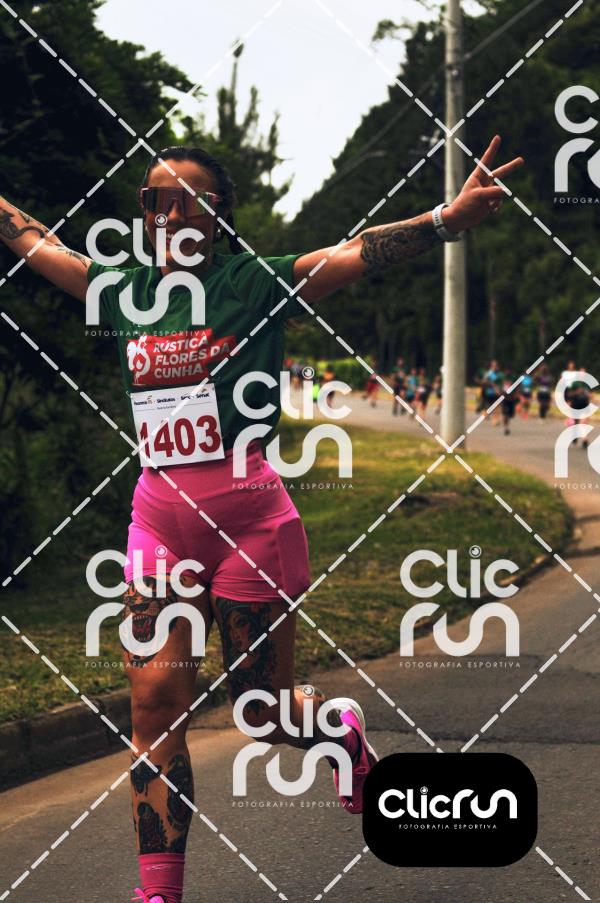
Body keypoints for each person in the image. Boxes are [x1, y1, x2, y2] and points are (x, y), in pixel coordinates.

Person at [0, 134, 522, 903]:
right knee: (154, 708)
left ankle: (333, 727)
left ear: (218, 214)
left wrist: (446, 218)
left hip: (250, 524)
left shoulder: (255, 282)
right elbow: (36, 242)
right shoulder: (121, 292)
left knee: (260, 711)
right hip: (158, 523)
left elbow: (354, 252)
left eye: (188, 199)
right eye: (154, 198)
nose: (170, 211)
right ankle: (159, 891)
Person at [501, 369, 517, 435]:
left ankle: (506, 425)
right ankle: (506, 428)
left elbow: (517, 388)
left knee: (511, 415)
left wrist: (516, 394)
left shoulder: (514, 378)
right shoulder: (502, 378)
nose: (507, 372)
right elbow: (499, 386)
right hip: (504, 399)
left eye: (509, 371)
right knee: (505, 414)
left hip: (511, 399)